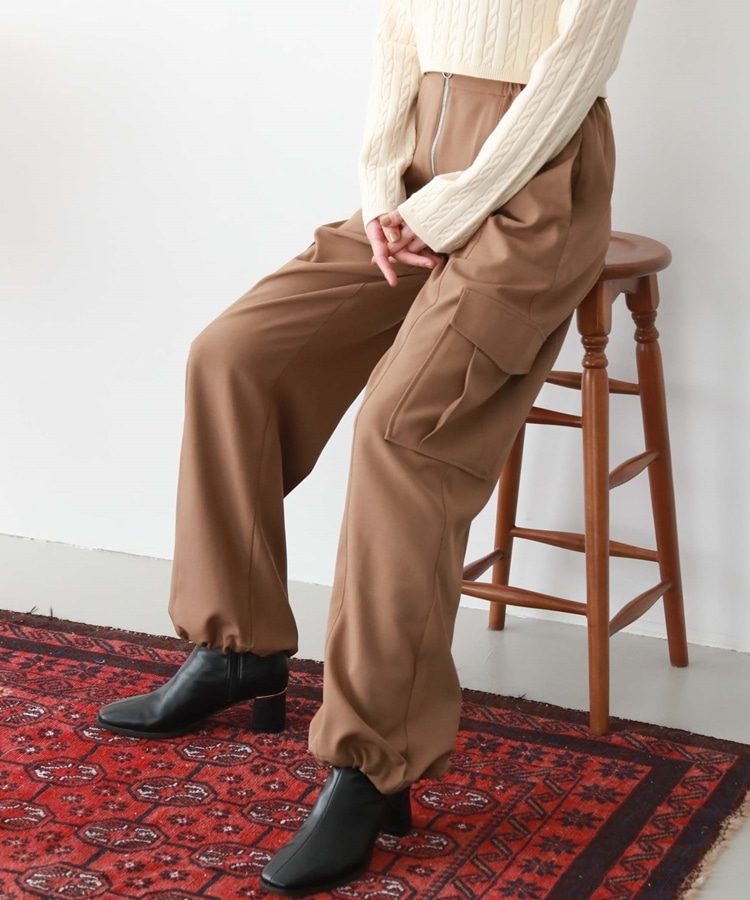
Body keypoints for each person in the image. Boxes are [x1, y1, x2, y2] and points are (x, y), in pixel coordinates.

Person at [97, 0, 638, 894]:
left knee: (400, 431)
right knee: (233, 357)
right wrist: (385, 194)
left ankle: (373, 762)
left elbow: (570, 80)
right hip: (420, 179)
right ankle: (236, 646)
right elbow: (397, 43)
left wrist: (452, 206)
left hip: (533, 197)